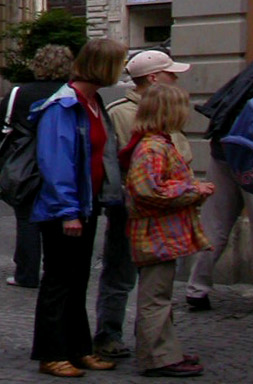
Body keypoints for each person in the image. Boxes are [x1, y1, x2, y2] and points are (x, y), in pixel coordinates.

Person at [29, 36, 128, 378]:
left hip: (87, 205)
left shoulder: (94, 102)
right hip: (64, 210)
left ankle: (78, 348)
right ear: (104, 66)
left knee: (77, 279)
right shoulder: (65, 105)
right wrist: (68, 211)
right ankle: (51, 353)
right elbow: (56, 163)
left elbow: (102, 154)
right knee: (58, 281)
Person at [93, 49, 191, 359]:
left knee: (157, 279)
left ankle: (152, 338)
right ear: (152, 77)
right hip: (133, 204)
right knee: (120, 271)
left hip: (165, 208)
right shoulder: (121, 112)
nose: (175, 78)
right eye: (170, 73)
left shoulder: (166, 109)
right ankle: (110, 333)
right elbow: (117, 161)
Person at [122, 82, 214, 378]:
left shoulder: (157, 143)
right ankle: (157, 357)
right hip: (154, 235)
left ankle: (165, 350)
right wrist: (193, 189)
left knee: (160, 295)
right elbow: (147, 190)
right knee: (155, 297)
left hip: (161, 234)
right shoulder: (152, 147)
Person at [0, 44, 76, 288]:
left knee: (27, 219)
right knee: (61, 217)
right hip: (64, 164)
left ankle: (26, 273)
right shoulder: (71, 93)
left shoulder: (19, 94)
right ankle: (58, 271)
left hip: (25, 166)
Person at [184, 53, 253, 310]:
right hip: (251, 158)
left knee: (214, 222)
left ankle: (196, 288)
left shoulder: (251, 72)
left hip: (224, 148)